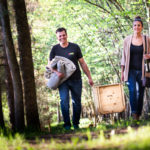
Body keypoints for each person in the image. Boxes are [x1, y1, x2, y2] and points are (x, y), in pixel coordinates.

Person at [47, 27, 94, 130]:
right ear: (57, 37)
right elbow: (49, 65)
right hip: (62, 81)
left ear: (66, 35)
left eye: (63, 35)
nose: (62, 37)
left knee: (76, 102)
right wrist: (57, 73)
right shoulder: (55, 49)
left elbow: (82, 63)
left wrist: (89, 77)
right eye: (60, 36)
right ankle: (67, 125)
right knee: (64, 101)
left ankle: (76, 124)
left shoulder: (75, 47)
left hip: (76, 79)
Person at [121, 16, 150, 120]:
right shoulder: (127, 40)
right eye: (135, 25)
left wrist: (149, 56)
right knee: (132, 90)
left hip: (142, 71)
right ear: (132, 27)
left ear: (142, 27)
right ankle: (134, 114)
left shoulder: (147, 39)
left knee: (141, 92)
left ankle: (138, 113)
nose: (136, 27)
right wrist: (122, 72)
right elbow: (123, 57)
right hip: (130, 71)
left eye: (139, 25)